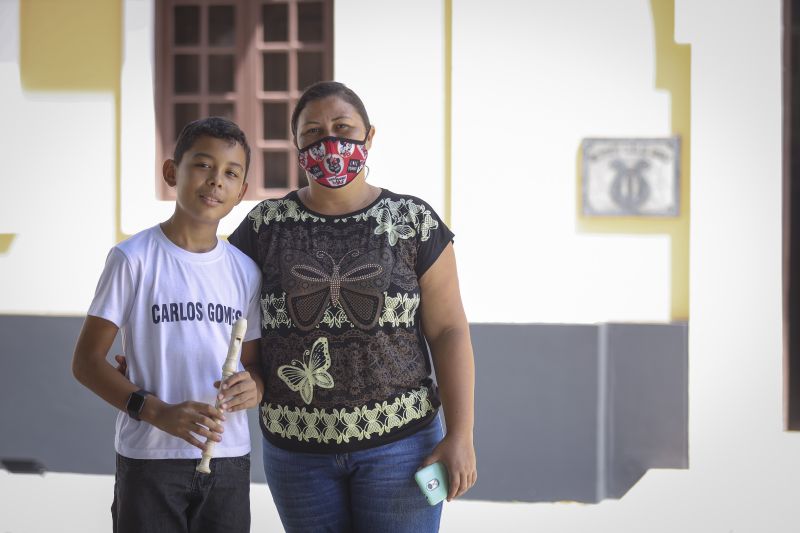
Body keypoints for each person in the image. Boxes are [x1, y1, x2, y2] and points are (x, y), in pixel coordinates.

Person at [228, 81, 477, 532]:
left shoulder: (413, 222)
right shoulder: (264, 226)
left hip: (403, 448)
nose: (330, 143)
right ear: (297, 146)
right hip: (296, 450)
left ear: (369, 136)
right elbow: (225, 309)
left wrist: (461, 435)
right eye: (313, 133)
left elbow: (448, 331)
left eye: (343, 128)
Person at [72, 117, 264, 533]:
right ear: (171, 172)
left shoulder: (246, 271)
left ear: (241, 193)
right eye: (202, 165)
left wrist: (257, 387)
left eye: (230, 173)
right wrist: (157, 411)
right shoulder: (133, 258)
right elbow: (86, 362)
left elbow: (255, 366)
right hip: (150, 458)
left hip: (228, 457)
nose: (216, 181)